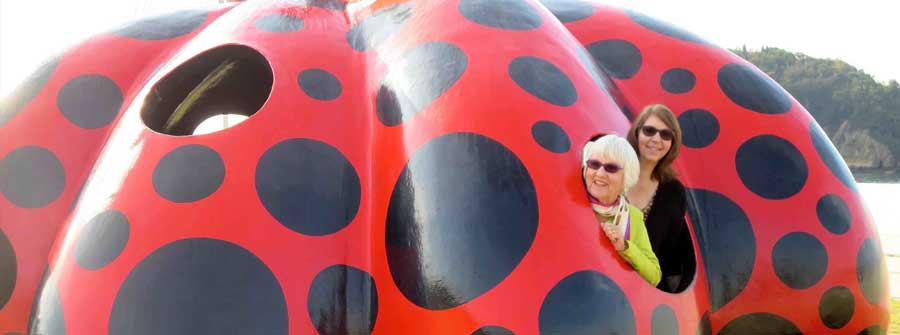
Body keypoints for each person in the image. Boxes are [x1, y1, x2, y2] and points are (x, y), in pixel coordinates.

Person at [626, 104, 695, 293]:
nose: (656, 139)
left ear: (672, 143)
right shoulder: (611, 171)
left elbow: (666, 253)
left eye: (666, 135)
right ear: (637, 133)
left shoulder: (674, 192)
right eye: (649, 131)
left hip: (642, 290)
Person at [583, 135, 661, 286]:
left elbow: (654, 275)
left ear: (626, 178)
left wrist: (624, 247)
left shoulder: (632, 216)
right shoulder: (572, 198)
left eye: (611, 168)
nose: (599, 173)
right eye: (594, 164)